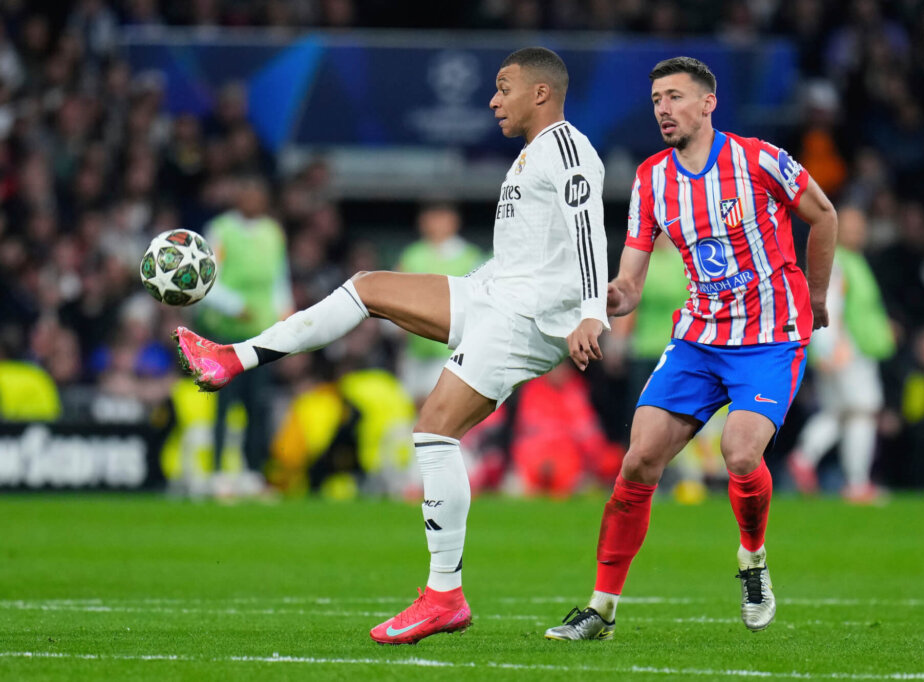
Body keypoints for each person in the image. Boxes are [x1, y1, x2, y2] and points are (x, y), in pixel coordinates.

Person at [172, 47, 609, 645]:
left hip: (526, 317)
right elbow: (529, 255)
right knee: (368, 287)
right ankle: (234, 357)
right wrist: (486, 288)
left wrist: (590, 311)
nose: (492, 99)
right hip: (497, 296)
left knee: (433, 431)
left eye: (503, 87)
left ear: (540, 93)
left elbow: (590, 226)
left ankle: (444, 595)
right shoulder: (531, 156)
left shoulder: (566, 146)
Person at [544, 56, 837, 641]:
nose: (663, 109)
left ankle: (752, 561)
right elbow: (631, 280)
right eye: (656, 100)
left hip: (769, 335)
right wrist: (599, 306)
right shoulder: (651, 178)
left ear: (708, 103)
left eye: (675, 97)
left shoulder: (759, 159)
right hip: (699, 338)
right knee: (638, 460)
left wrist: (819, 296)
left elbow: (823, 214)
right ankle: (600, 609)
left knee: (740, 454)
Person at [192, 175, 293, 493]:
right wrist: (235, 306)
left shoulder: (273, 232)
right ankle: (219, 471)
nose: (253, 200)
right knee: (224, 402)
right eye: (247, 193)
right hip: (223, 331)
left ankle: (252, 471)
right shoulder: (220, 231)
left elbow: (279, 279)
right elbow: (207, 278)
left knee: (257, 403)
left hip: (260, 333)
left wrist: (286, 313)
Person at [788, 206, 895, 504]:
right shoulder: (837, 263)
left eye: (861, 226)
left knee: (839, 412)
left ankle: (805, 457)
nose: (858, 232)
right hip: (848, 350)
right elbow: (826, 304)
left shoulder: (852, 260)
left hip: (848, 348)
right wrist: (827, 346)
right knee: (862, 410)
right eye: (851, 226)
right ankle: (856, 482)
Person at [396, 202, 484, 406]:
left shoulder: (470, 257)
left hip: (450, 351)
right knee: (411, 410)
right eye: (429, 216)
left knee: (437, 408)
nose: (434, 222)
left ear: (453, 221)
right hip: (415, 352)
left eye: (440, 216)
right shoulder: (411, 255)